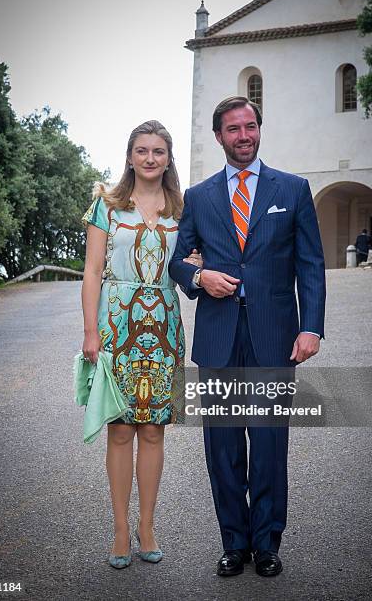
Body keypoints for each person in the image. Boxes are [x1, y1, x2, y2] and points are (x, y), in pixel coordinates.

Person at [169, 97, 326, 578]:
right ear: (219, 136)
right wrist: (201, 280)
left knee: (268, 445)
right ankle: (233, 544)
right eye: (233, 129)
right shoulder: (198, 197)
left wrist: (311, 325)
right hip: (218, 338)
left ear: (259, 129)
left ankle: (267, 544)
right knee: (224, 450)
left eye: (251, 126)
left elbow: (310, 264)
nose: (244, 135)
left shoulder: (293, 190)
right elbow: (179, 262)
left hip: (273, 337)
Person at [81, 120, 200, 569]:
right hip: (117, 325)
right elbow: (92, 271)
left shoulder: (183, 209)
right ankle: (118, 529)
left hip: (164, 326)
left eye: (159, 151)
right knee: (120, 428)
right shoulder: (107, 206)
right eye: (142, 150)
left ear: (169, 159)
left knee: (153, 429)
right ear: (129, 156)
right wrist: (91, 331)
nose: (151, 158)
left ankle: (146, 526)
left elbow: (192, 262)